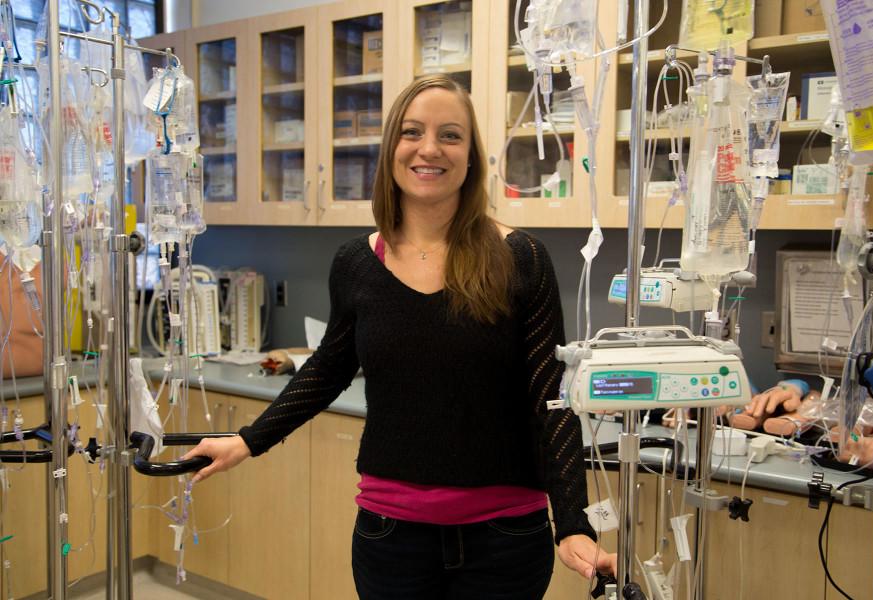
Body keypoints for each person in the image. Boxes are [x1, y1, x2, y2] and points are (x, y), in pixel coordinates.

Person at [183, 74, 615, 598]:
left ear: (472, 156)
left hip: (505, 538)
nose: (429, 148)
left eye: (450, 135)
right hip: (391, 537)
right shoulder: (356, 264)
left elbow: (553, 395)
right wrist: (249, 439)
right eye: (412, 132)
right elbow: (328, 368)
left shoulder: (521, 259)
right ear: (392, 149)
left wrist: (572, 521)